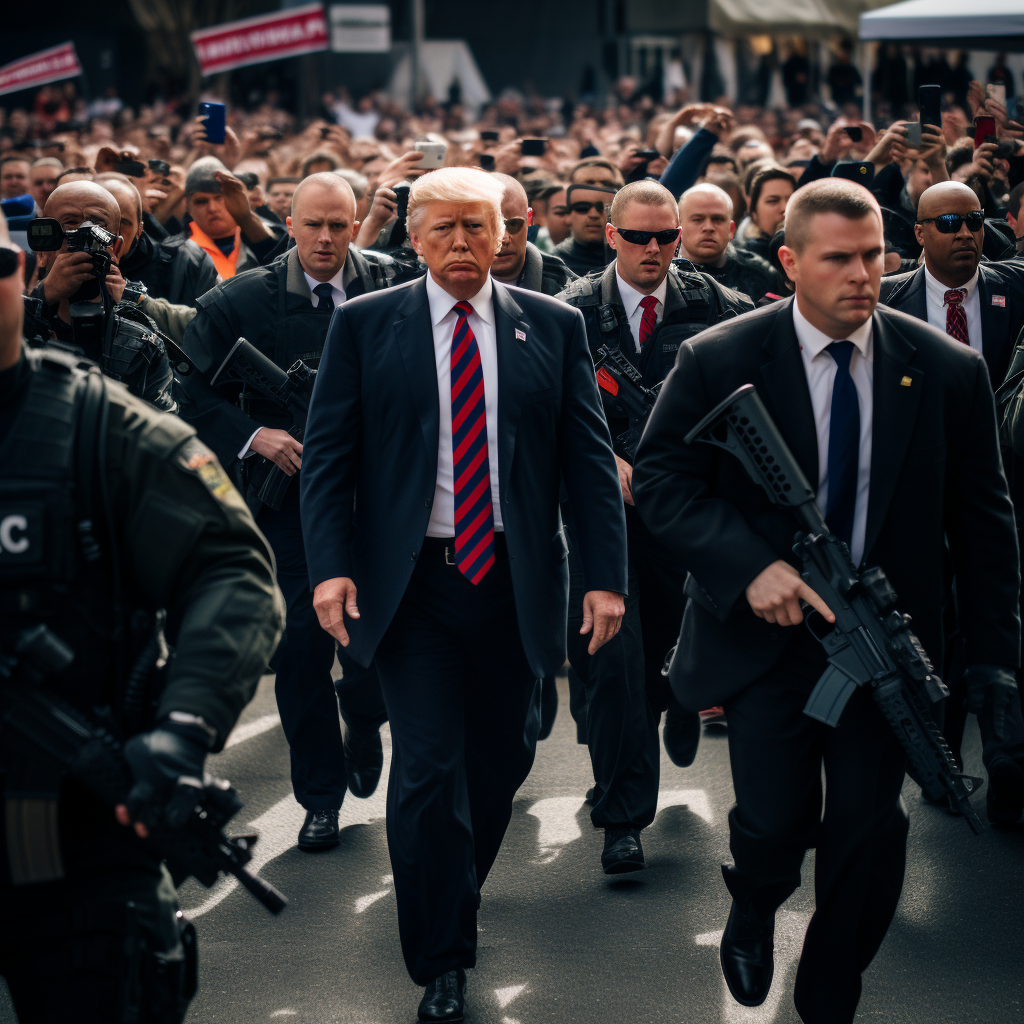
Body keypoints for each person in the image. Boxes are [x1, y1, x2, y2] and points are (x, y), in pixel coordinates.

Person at [632, 179, 1022, 1023]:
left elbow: (987, 525)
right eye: (839, 258)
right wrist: (750, 567)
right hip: (767, 642)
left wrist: (994, 660)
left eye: (874, 255)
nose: (861, 275)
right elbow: (662, 480)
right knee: (773, 824)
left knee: (868, 832)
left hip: (887, 643)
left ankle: (830, 990)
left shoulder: (947, 370)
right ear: (789, 261)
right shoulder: (723, 358)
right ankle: (756, 900)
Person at [300, 167, 627, 1022]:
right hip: (411, 590)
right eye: (442, 228)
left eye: (476, 228)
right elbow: (328, 459)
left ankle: (454, 884)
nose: (461, 244)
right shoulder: (367, 325)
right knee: (427, 774)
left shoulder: (552, 327)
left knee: (501, 761)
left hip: (514, 580)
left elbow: (589, 465)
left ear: (505, 233)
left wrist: (603, 578)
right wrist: (330, 568)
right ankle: (442, 956)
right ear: (413, 238)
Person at [0, 206, 283, 1023]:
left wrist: (184, 725)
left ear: (16, 275)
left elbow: (227, 567)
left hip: (80, 833)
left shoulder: (96, 427)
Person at [178, 173, 408, 851]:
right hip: (289, 502)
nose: (327, 239)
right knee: (300, 650)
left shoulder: (394, 287)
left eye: (340, 225)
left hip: (379, 497)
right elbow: (191, 393)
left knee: (375, 644)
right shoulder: (238, 302)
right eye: (313, 225)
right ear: (287, 220)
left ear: (357, 221)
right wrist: (258, 437)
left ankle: (363, 719)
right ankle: (319, 795)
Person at [556, 180, 753, 874]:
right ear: (610, 235)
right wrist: (598, 460)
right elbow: (538, 408)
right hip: (601, 518)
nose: (653, 249)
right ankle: (622, 817)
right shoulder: (571, 314)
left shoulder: (714, 307)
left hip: (686, 512)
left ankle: (678, 700)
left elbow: (748, 400)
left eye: (665, 237)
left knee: (673, 657)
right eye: (637, 236)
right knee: (612, 662)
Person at [26, 180, 175, 411]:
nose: (83, 242)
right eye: (70, 226)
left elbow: (164, 431)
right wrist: (41, 297)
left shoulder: (142, 344)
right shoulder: (11, 325)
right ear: (43, 250)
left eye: (97, 229)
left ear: (114, 249)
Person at [880, 181, 1024, 387]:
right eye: (948, 222)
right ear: (920, 234)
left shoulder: (1015, 287)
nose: (965, 233)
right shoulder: (884, 300)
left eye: (974, 221)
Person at [96, 174, 219, 309]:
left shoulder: (183, 265)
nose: (112, 232)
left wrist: (133, 298)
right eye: (100, 222)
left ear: (139, 230)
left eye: (123, 223)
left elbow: (204, 325)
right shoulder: (70, 269)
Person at [174, 157, 282, 279]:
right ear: (188, 206)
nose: (212, 208)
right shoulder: (175, 251)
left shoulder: (267, 234)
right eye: (201, 201)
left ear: (236, 197)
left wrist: (246, 217)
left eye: (219, 198)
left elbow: (286, 267)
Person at [677, 183, 783, 304]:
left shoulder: (761, 274)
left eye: (717, 219)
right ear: (679, 227)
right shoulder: (664, 274)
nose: (708, 227)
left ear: (731, 229)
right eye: (697, 219)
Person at [490, 174, 575, 295]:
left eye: (514, 224)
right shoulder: (455, 283)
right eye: (493, 227)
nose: (504, 238)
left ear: (529, 219)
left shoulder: (566, 287)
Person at [553, 159, 624, 275]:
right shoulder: (556, 263)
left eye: (607, 184)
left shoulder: (630, 255)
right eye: (588, 184)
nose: (598, 188)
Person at [739, 167, 795, 261]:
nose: (785, 208)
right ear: (754, 213)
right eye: (773, 201)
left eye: (791, 200)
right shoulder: (742, 262)